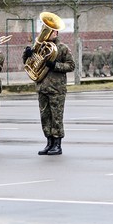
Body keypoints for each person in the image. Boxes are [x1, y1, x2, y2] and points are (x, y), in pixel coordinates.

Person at [23, 23, 75, 156]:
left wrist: (54, 65)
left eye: (49, 32)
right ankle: (49, 142)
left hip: (56, 88)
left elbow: (71, 66)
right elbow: (29, 64)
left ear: (56, 33)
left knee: (56, 117)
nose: (45, 34)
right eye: (44, 31)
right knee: (45, 117)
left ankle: (57, 144)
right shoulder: (40, 47)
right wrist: (28, 54)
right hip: (42, 87)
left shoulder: (62, 48)